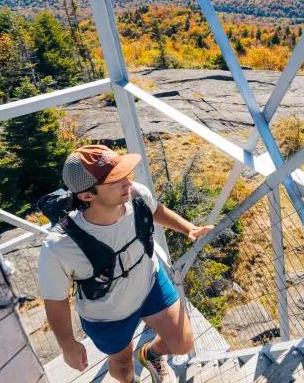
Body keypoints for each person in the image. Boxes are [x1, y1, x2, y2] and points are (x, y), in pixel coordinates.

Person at [38, 144, 213, 383]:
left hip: (149, 282)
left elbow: (154, 209)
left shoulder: (135, 195)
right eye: (115, 180)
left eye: (125, 174)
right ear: (86, 195)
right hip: (107, 313)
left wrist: (187, 228)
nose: (128, 183)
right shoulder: (59, 246)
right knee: (121, 366)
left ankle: (151, 355)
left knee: (183, 343)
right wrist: (68, 344)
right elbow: (55, 300)